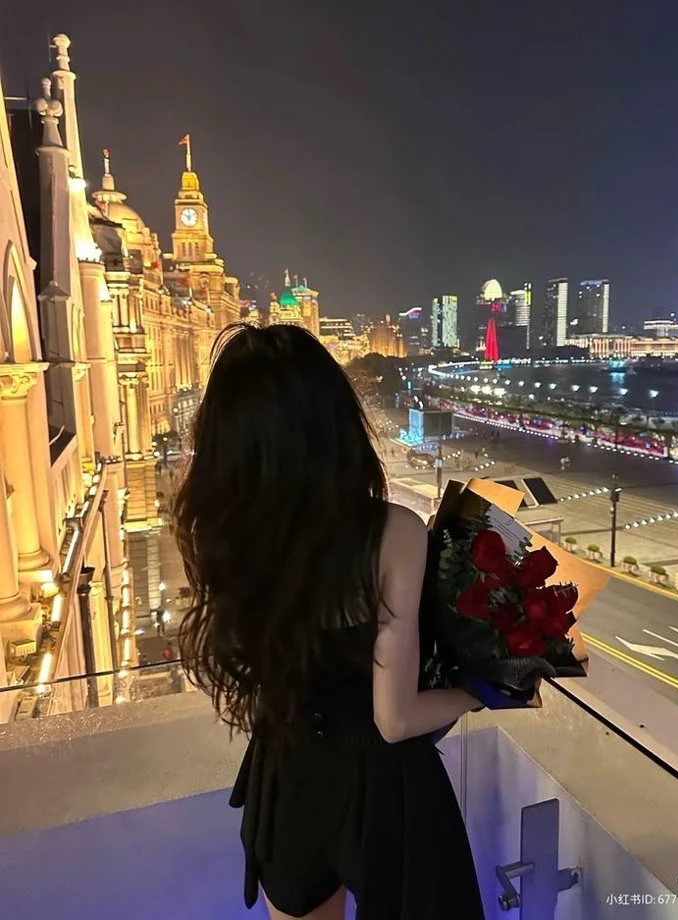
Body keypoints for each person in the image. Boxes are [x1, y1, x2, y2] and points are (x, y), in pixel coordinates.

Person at [173, 323, 485, 920]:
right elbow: (395, 719)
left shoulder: (221, 534)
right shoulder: (393, 532)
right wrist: (483, 690)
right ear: (336, 424)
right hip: (385, 789)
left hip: (289, 774)